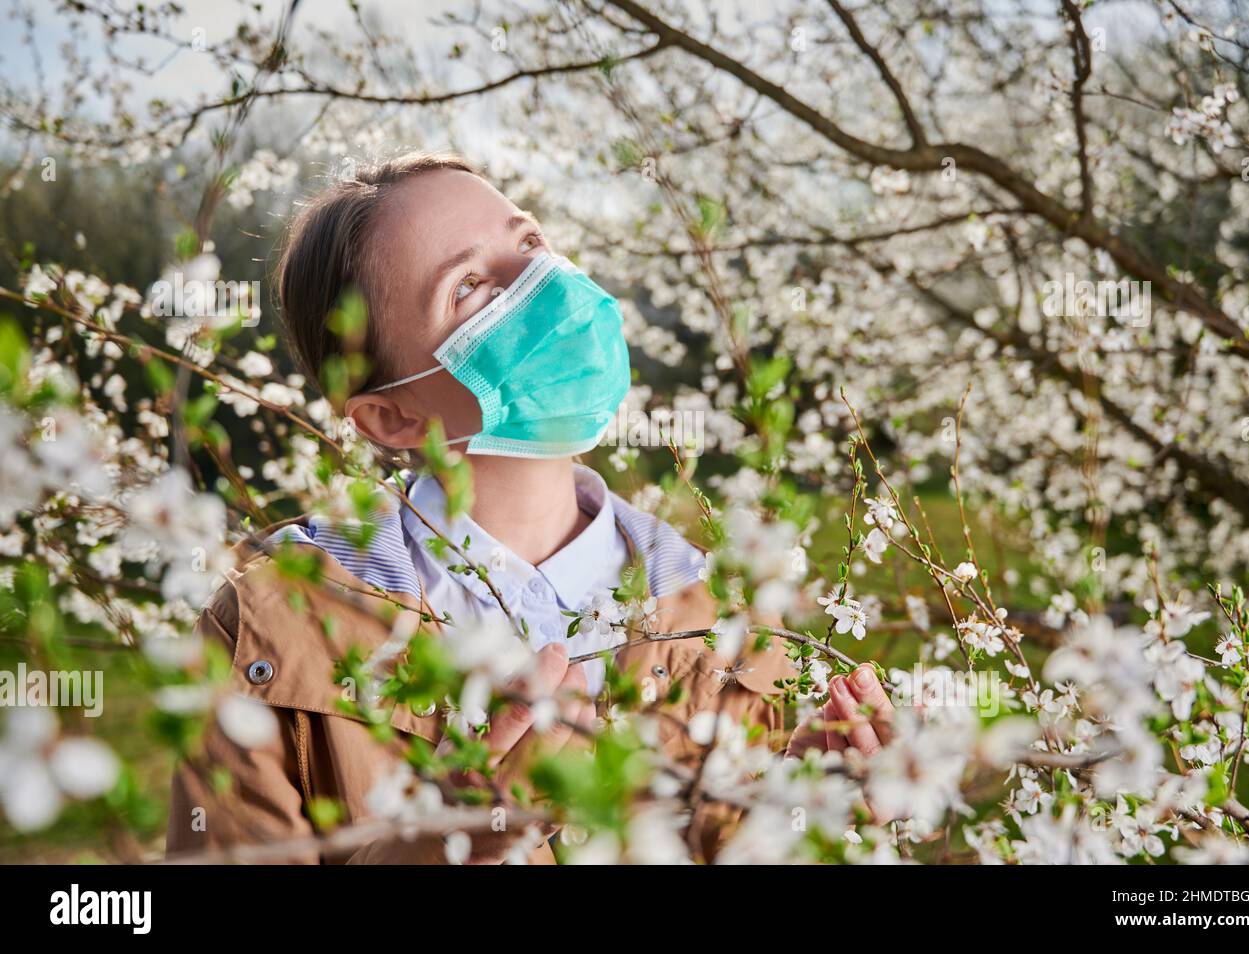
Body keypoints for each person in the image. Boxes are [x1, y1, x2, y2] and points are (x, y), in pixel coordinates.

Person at [165, 152, 894, 864]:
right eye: (471, 285)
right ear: (391, 418)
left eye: (530, 241)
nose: (541, 283)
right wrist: (429, 851)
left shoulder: (729, 618)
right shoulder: (272, 631)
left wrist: (805, 820)